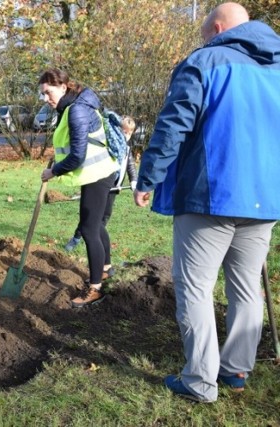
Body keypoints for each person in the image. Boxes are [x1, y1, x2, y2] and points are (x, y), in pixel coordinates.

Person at [134, 2, 280, 403]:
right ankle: (235, 369)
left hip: (211, 194)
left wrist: (148, 177)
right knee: (246, 286)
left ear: (216, 28)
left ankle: (200, 381)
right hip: (265, 199)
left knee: (195, 289)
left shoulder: (206, 60)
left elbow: (173, 123)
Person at [38, 68, 120, 307]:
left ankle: (95, 289)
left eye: (48, 92)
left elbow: (78, 156)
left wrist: (53, 171)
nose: (45, 99)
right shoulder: (73, 106)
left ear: (63, 88)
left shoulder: (77, 111)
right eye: (42, 94)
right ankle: (105, 268)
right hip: (100, 173)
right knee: (95, 225)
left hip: (97, 175)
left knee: (88, 229)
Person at [64, 116, 138, 255]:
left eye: (129, 133)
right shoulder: (110, 144)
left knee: (105, 215)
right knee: (90, 214)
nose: (126, 135)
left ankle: (96, 237)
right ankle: (76, 238)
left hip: (113, 189)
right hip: (100, 185)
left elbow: (130, 166)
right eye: (124, 131)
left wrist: (133, 180)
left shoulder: (126, 149)